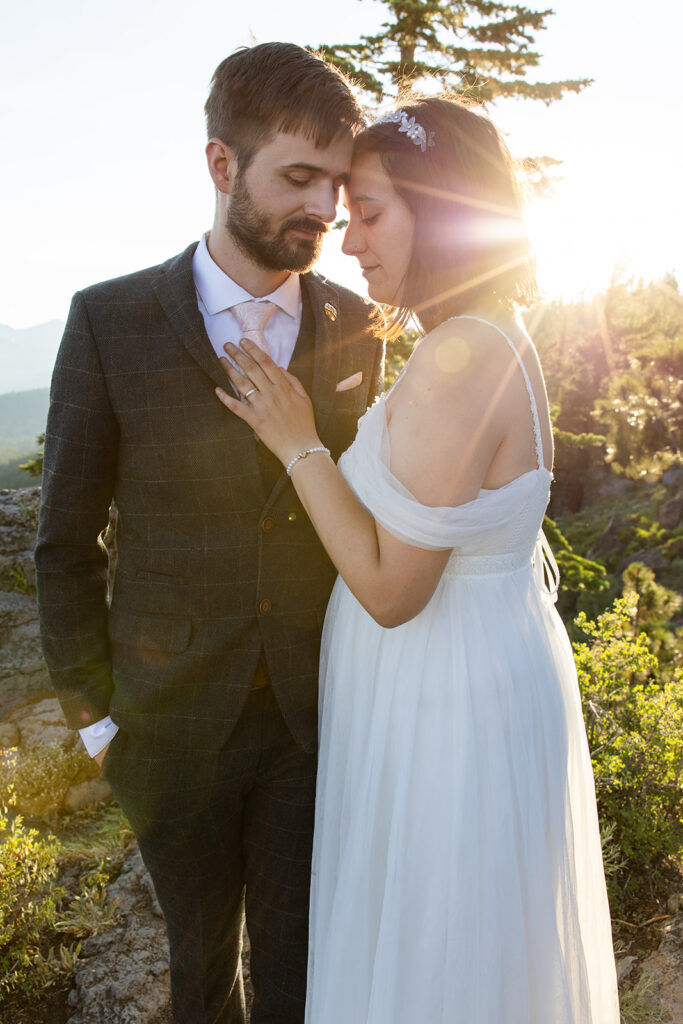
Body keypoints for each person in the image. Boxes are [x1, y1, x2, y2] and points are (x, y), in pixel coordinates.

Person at [216, 97, 621, 1023]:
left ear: (437, 212)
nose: (348, 241)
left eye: (371, 213)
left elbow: (394, 590)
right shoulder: (478, 332)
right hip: (459, 678)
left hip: (444, 702)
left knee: (439, 953)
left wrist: (296, 442)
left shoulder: (467, 353)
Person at [35, 42, 384, 1024]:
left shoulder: (358, 322)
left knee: (298, 980)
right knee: (198, 984)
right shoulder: (110, 322)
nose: (322, 205)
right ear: (221, 165)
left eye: (336, 183)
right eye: (296, 177)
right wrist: (99, 723)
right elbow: (63, 543)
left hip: (319, 722)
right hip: (167, 730)